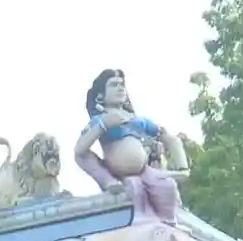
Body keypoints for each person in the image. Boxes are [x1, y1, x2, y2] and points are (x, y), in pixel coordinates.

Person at [69, 69, 186, 222]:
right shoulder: (101, 120)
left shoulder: (137, 120)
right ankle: (109, 182)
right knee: (133, 190)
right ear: (100, 96)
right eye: (114, 85)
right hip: (118, 174)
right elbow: (80, 149)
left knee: (167, 187)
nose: (120, 88)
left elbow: (168, 137)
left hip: (145, 171)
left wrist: (182, 166)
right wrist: (104, 125)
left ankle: (168, 222)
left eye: (122, 85)